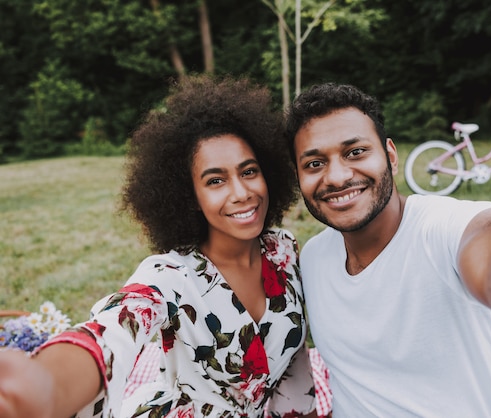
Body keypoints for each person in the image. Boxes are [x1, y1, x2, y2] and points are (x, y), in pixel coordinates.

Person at [284, 82, 491, 417]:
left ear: (390, 156)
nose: (337, 176)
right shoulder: (313, 257)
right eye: (315, 163)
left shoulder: (443, 229)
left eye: (355, 152)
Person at [0, 75, 318, 418]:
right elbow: (115, 328)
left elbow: (293, 357)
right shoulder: (170, 275)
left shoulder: (283, 251)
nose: (241, 193)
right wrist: (48, 387)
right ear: (190, 196)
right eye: (215, 180)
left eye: (249, 171)